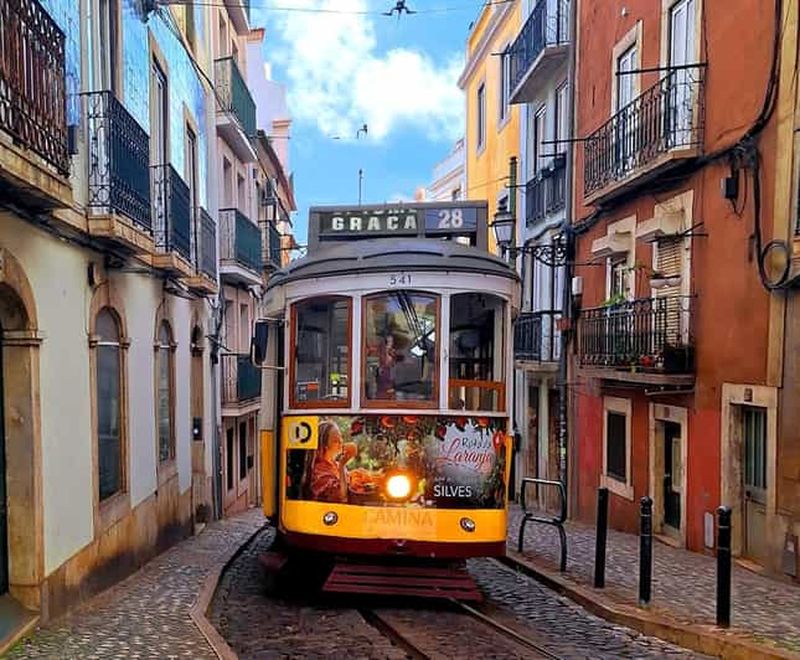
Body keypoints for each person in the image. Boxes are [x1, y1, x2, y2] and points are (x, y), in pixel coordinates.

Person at [303, 420, 355, 502]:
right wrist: (342, 465)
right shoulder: (318, 471)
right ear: (324, 446)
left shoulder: (336, 465)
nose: (341, 442)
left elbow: (351, 484)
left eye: (340, 437)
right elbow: (342, 496)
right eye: (335, 440)